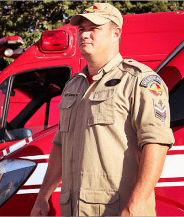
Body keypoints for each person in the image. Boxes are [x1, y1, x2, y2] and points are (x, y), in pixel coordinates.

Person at [31, 3, 175, 216]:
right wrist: (43, 196)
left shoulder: (139, 80)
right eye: (81, 29)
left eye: (94, 28)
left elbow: (156, 144)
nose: (85, 35)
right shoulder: (73, 86)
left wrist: (134, 206)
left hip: (118, 210)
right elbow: (60, 145)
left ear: (116, 33)